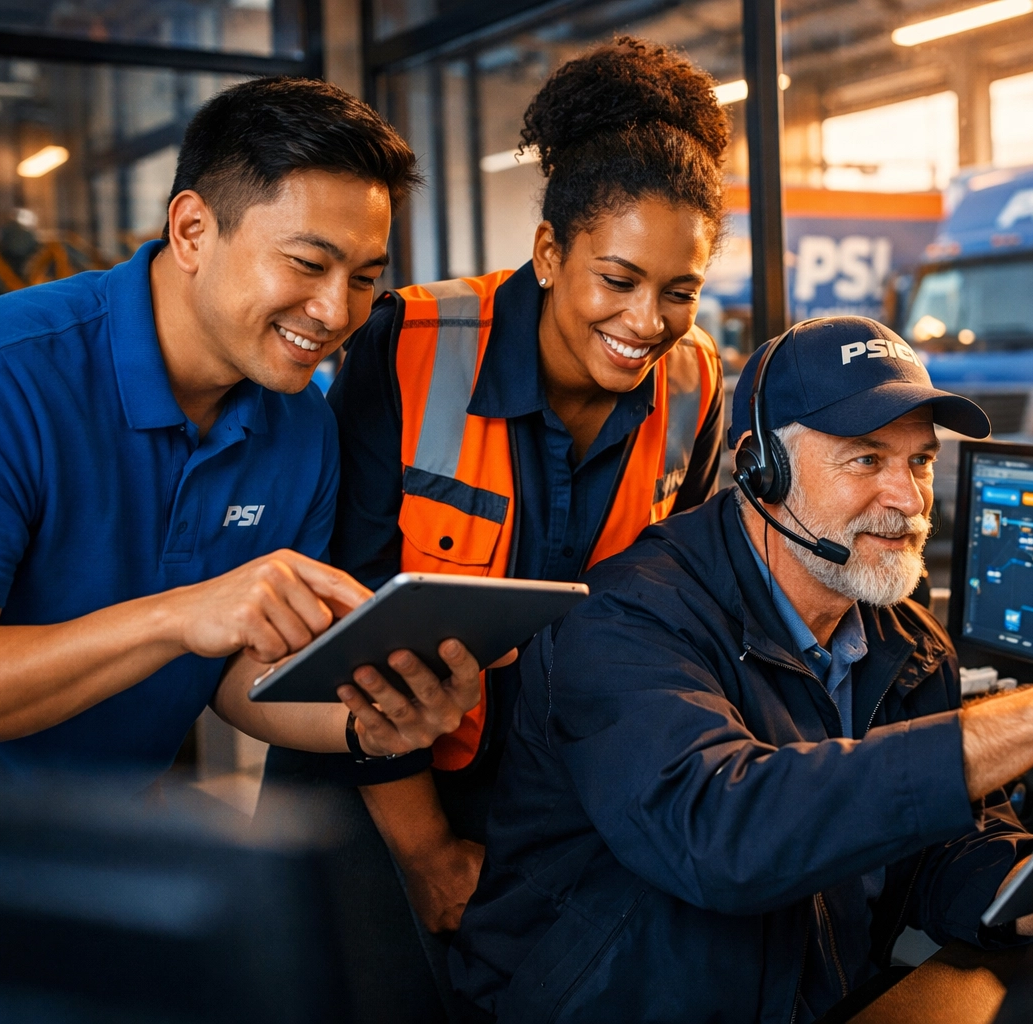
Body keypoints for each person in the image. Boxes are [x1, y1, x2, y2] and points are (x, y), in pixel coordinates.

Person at [452, 315, 1033, 1022]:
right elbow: (721, 833)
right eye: (866, 460)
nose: (910, 498)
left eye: (919, 461)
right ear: (759, 470)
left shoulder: (905, 643)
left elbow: (937, 854)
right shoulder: (625, 618)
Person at [260, 31, 728, 974]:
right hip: (368, 795)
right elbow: (335, 618)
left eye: (680, 291)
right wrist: (425, 850)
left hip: (557, 806)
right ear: (551, 251)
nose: (648, 323)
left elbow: (670, 607)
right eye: (620, 280)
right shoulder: (409, 343)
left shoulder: (696, 382)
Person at [0, 77, 485, 787]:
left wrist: (369, 724)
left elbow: (238, 675)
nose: (335, 312)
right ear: (193, 230)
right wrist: (177, 617)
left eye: (363, 277)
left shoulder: (301, 425)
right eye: (307, 263)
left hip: (107, 843)